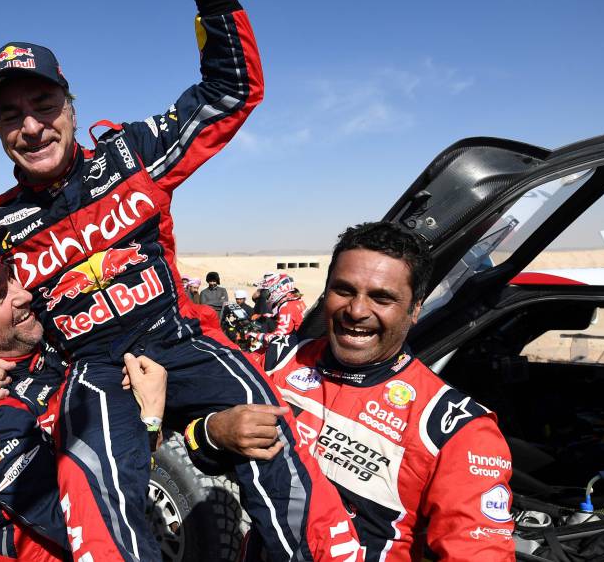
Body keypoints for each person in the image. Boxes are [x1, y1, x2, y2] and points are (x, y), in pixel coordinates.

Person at [0, 0, 361, 561]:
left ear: (71, 107)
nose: (30, 125)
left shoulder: (131, 154)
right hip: (93, 371)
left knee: (272, 432)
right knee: (92, 484)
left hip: (181, 340)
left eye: (43, 104)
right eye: (10, 115)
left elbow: (231, 92)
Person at [185, 222, 515, 560]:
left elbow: (479, 553)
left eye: (381, 297)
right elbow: (197, 442)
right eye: (344, 290)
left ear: (415, 309)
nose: (356, 311)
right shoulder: (278, 362)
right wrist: (213, 433)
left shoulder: (456, 428)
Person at [0, 241, 168, 561]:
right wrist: (149, 425)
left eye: (9, 276)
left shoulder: (45, 326)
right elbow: (85, 520)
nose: (23, 295)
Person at [235, 272, 307, 351]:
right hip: (301, 341)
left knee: (257, 356)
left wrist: (255, 335)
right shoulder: (296, 300)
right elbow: (292, 318)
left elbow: (277, 338)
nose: (266, 295)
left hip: (297, 347)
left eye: (266, 291)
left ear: (276, 288)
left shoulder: (286, 306)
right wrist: (269, 316)